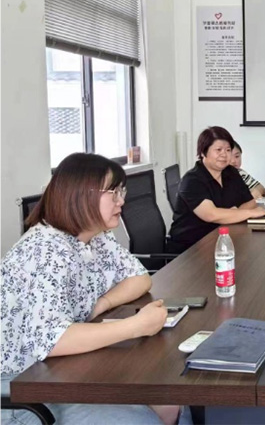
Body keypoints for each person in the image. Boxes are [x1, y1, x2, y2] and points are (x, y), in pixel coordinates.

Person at [1, 153, 187, 425]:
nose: (121, 201)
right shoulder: (43, 251)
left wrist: (102, 304)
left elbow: (139, 278)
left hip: (60, 369)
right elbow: (53, 340)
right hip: (20, 388)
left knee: (170, 401)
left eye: (121, 191)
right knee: (143, 420)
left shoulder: (95, 236)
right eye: (113, 193)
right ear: (80, 196)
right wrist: (136, 326)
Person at [168, 126, 265, 254]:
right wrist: (247, 213)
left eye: (228, 150)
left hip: (223, 239)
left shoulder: (231, 172)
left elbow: (250, 202)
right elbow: (211, 214)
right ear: (203, 152)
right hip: (190, 250)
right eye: (218, 150)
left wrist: (232, 214)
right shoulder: (192, 180)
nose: (224, 154)